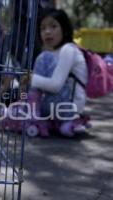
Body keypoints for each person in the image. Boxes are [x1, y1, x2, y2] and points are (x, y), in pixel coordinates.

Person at [27, 8, 88, 137]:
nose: (47, 32)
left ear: (64, 29)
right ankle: (59, 123)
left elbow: (55, 86)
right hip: (61, 107)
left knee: (43, 58)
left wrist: (31, 78)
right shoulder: (55, 52)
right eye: (43, 28)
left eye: (53, 26)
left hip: (68, 108)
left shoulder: (68, 49)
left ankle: (34, 116)